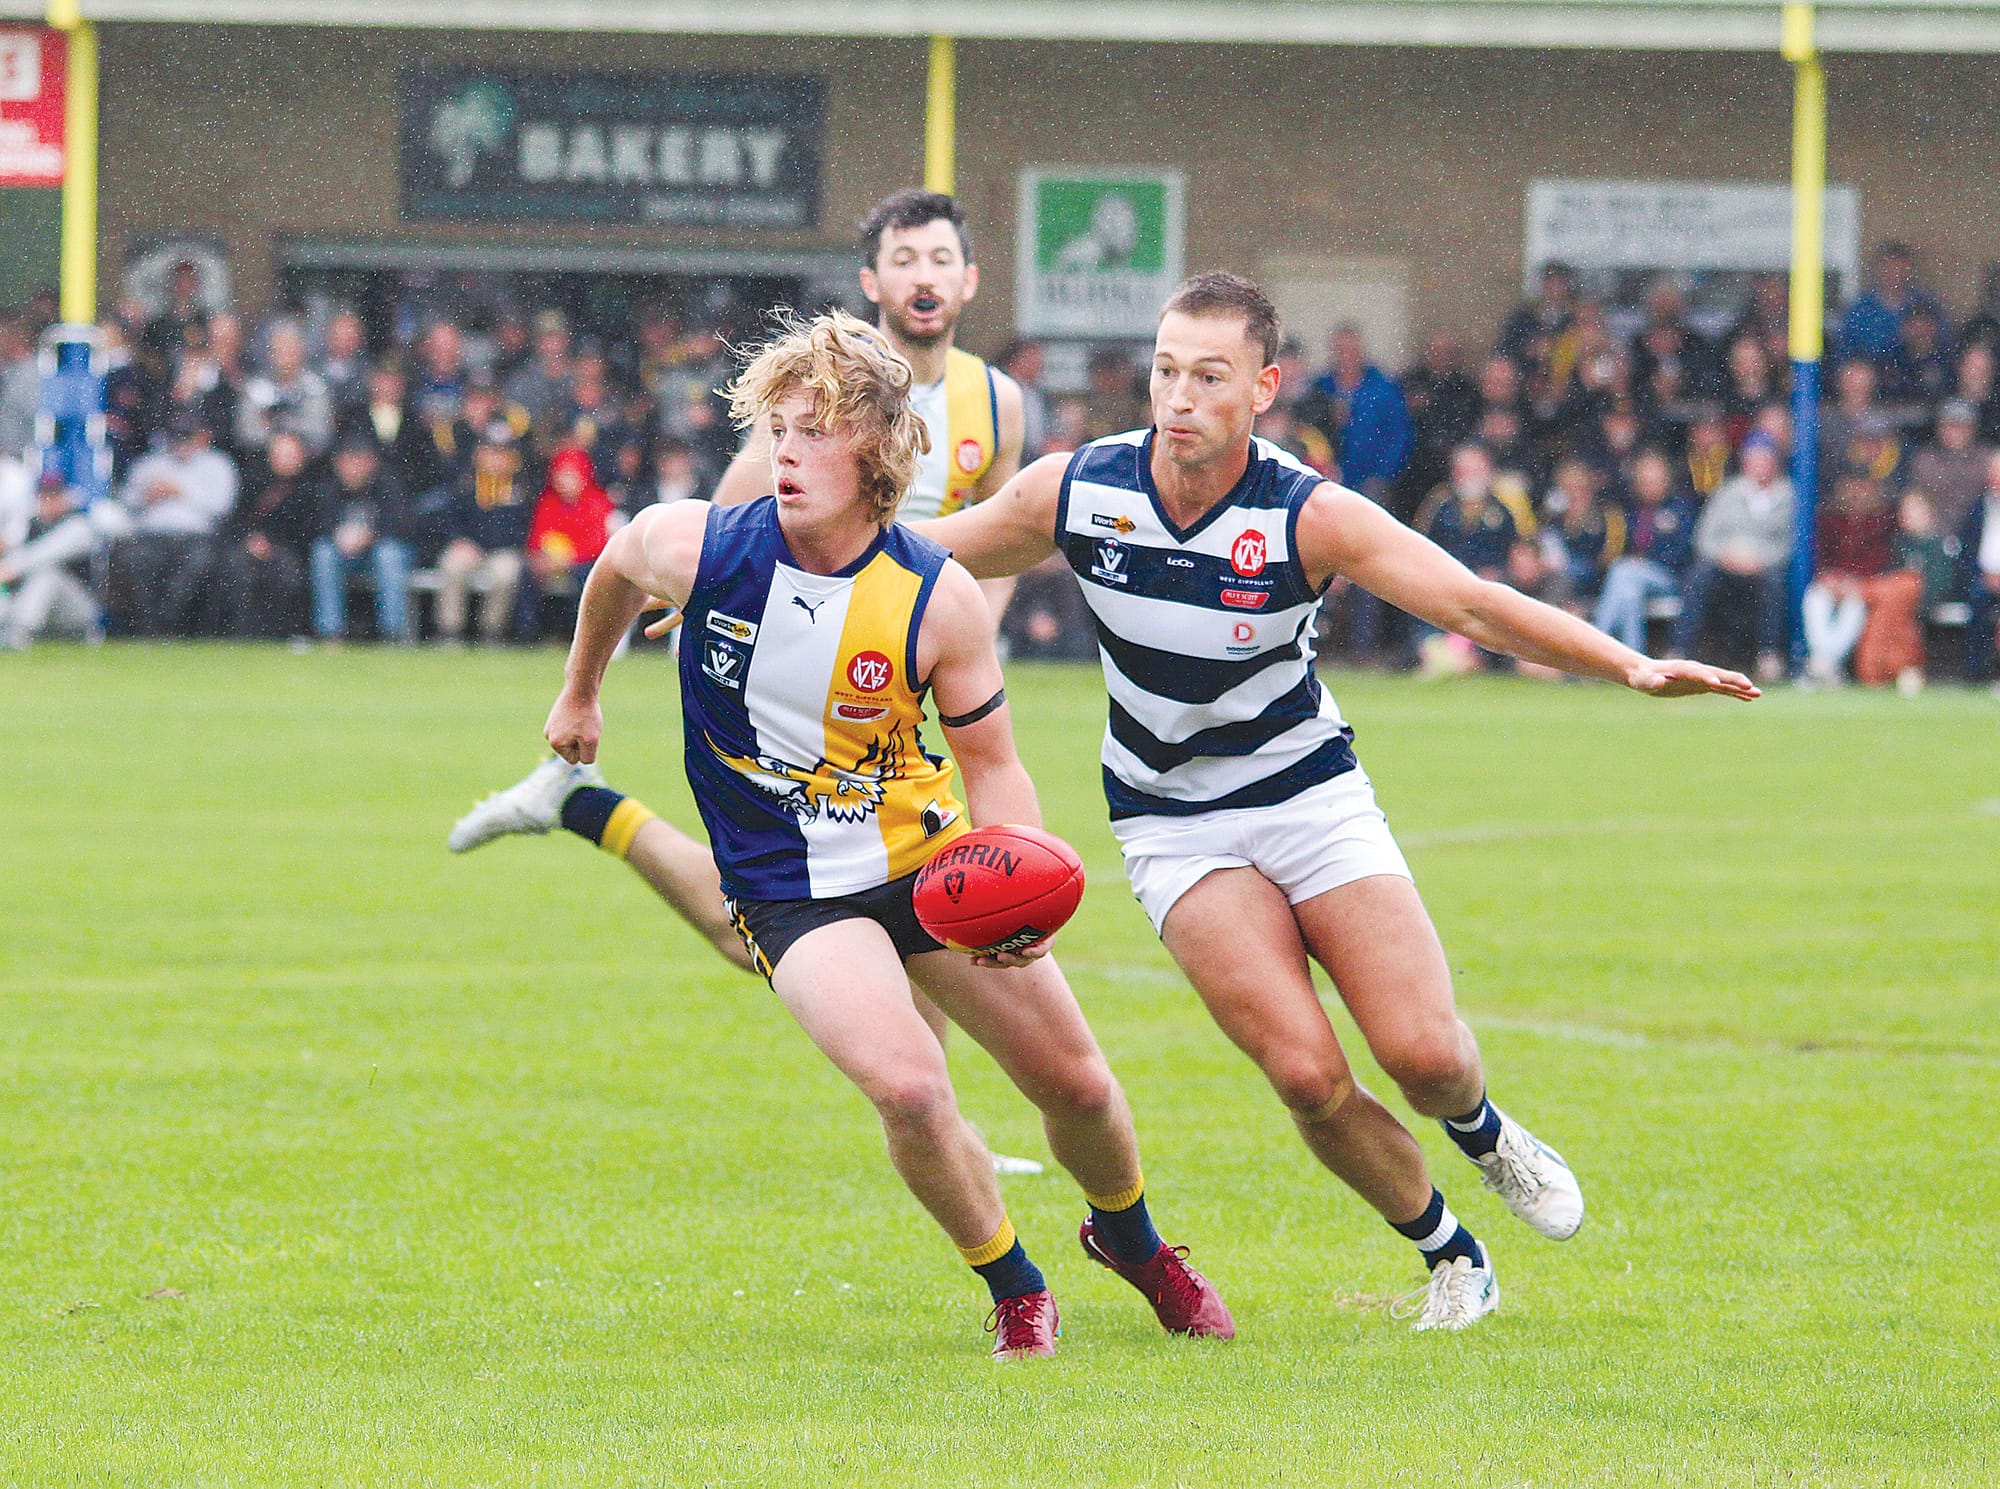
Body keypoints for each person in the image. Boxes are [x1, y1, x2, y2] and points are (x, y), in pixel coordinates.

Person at [908, 273, 1756, 1329]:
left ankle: (1485, 1132)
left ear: (1262, 387)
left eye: (1207, 377)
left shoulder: (1306, 512)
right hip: (1171, 821)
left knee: (1425, 1055)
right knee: (1306, 1074)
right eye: (1165, 370)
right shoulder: (1077, 490)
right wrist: (743, 569)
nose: (1177, 396)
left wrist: (1627, 665)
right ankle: (1451, 1253)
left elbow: (1470, 602)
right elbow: (918, 554)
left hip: (1308, 796)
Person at [458, 311, 1232, 1359]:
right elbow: (613, 566)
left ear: (875, 449)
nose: (785, 453)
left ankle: (1133, 1242)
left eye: (813, 432)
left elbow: (994, 763)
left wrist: (1025, 884)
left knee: (1079, 1084)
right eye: (777, 430)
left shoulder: (934, 596)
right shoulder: (699, 546)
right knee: (911, 1086)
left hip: (923, 863)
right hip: (787, 887)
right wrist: (580, 690)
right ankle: (1012, 1283)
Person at [1670, 432, 1795, 680]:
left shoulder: (1789, 496)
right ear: (1745, 461)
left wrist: (1759, 561)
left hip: (1763, 568)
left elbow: (1790, 544)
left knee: (1776, 584)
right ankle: (1679, 651)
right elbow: (1704, 537)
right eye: (1754, 459)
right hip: (1725, 565)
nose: (1760, 465)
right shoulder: (1727, 493)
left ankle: (1768, 656)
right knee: (1698, 578)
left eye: (1765, 459)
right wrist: (1726, 557)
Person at [309, 435, 416, 644]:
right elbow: (316, 526)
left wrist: (370, 537)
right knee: (323, 552)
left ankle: (391, 633)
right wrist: (337, 535)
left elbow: (403, 527)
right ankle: (330, 632)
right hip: (344, 555)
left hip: (381, 554)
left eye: (359, 460)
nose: (353, 467)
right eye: (348, 461)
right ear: (337, 463)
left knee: (389, 554)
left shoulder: (389, 485)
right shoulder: (327, 489)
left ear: (371, 462)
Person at [435, 420, 534, 645]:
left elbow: (522, 530)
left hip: (503, 551)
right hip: (468, 547)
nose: (496, 458)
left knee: (507, 572)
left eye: (502, 453)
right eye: (491, 451)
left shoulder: (521, 486)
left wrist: (495, 544)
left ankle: (491, 632)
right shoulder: (465, 482)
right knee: (452, 564)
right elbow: (449, 519)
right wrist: (460, 541)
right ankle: (450, 632)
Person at [1592, 447, 1700, 652]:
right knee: (1629, 591)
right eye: (1644, 481)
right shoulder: (1630, 508)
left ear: (1666, 480)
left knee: (1623, 571)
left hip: (1670, 577)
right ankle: (1633, 657)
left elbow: (1684, 552)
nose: (1649, 486)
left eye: (1654, 481)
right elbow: (1617, 544)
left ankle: (1595, 647)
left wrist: (1647, 561)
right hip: (1632, 577)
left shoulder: (1680, 507)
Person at [217, 429, 317, 639]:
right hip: (250, 546)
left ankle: (284, 633)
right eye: (279, 454)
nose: (284, 460)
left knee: (288, 574)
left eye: (290, 454)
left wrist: (273, 543)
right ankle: (240, 632)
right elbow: (237, 521)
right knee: (236, 569)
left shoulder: (310, 487)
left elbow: (308, 529)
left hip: (290, 550)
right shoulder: (254, 481)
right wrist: (251, 540)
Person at [1800, 472, 1895, 686]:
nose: (1857, 493)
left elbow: (1882, 560)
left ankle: (1827, 664)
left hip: (1863, 585)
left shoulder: (1882, 521)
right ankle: (1824, 663)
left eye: (1863, 487)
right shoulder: (1830, 519)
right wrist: (1830, 577)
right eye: (1852, 487)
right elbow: (1821, 556)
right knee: (1815, 599)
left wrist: (1855, 581)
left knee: (1854, 605)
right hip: (1832, 582)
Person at [0, 472, 102, 650]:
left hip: (76, 611)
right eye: (44, 496)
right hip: (37, 611)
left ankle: (17, 635)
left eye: (54, 496)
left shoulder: (79, 524)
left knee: (47, 574)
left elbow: (47, 552)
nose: (49, 501)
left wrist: (12, 566)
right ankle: (12, 631)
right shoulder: (30, 525)